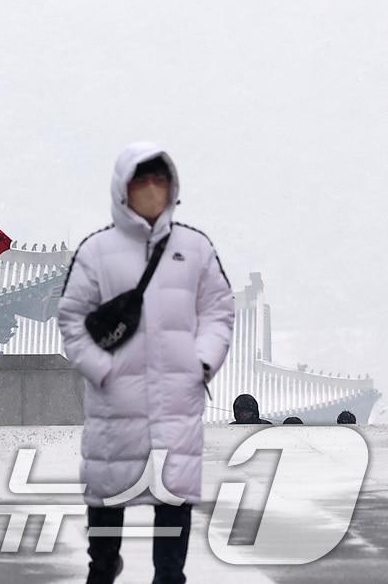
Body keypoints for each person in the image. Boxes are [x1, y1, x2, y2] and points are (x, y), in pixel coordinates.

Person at [58, 144, 236, 584]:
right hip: (115, 399)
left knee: (174, 492)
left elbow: (218, 310)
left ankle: (170, 576)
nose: (152, 189)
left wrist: (202, 363)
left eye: (160, 180)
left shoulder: (195, 248)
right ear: (124, 188)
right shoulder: (96, 251)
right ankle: (102, 568)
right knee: (107, 491)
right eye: (143, 180)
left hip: (177, 397)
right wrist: (102, 370)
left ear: (172, 187)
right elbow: (72, 319)